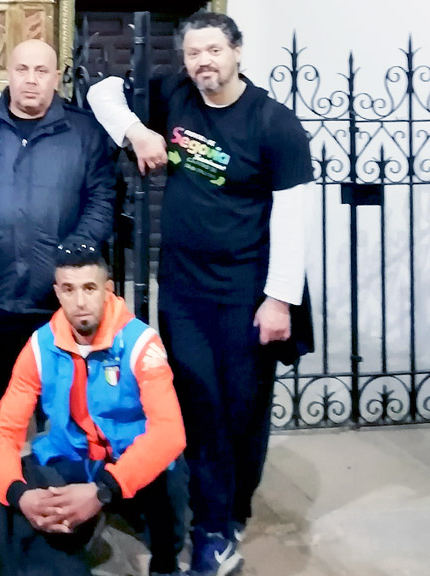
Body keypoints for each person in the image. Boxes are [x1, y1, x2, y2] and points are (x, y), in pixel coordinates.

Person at [87, 11, 314, 576]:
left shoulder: (274, 124)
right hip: (184, 287)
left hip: (247, 292)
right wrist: (138, 131)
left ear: (237, 51)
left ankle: (231, 509)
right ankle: (210, 521)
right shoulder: (175, 95)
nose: (203, 62)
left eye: (213, 50)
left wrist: (279, 299)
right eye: (193, 53)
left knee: (241, 408)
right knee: (196, 401)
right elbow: (101, 92)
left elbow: (294, 217)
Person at [0, 39, 116, 524]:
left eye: (41, 71)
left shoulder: (84, 132)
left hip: (59, 298)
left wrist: (74, 260)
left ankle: (65, 481)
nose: (31, 79)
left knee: (68, 398)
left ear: (56, 76)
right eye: (23, 69)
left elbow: (102, 198)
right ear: (7, 73)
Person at [0, 244, 187, 576]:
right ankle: (50, 555)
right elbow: (4, 431)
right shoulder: (40, 346)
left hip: (129, 463)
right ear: (57, 293)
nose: (79, 302)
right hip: (72, 457)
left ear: (107, 290)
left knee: (169, 475)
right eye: (69, 289)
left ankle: (164, 564)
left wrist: (104, 489)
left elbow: (169, 433)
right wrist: (19, 494)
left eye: (89, 288)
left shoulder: (141, 344)